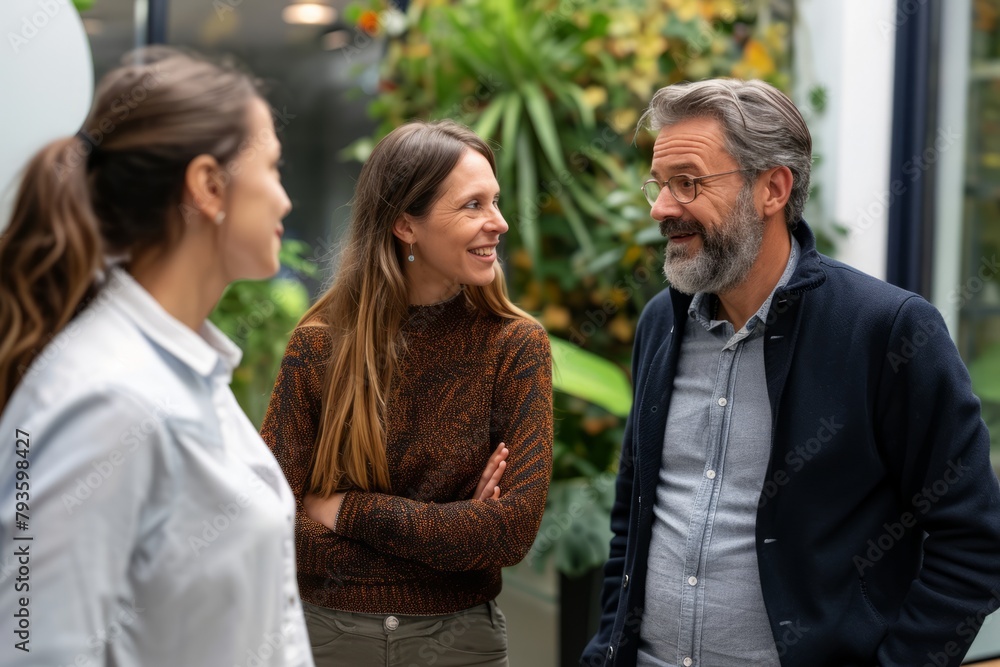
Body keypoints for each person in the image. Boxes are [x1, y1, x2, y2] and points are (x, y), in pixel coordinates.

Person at [582, 79, 1000, 667]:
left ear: (772, 188)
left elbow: (974, 543)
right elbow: (635, 511)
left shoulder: (888, 331)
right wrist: (606, 646)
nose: (661, 207)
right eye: (659, 184)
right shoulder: (661, 321)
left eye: (689, 183)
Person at [0, 48, 313, 666]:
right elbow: (36, 647)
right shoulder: (104, 395)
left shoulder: (187, 372)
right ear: (208, 185)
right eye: (273, 169)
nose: (285, 200)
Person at [261, 119, 553, 667]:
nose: (501, 223)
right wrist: (451, 535)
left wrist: (347, 510)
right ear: (405, 225)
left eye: (496, 201)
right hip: (325, 640)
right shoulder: (319, 348)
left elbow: (507, 534)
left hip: (461, 644)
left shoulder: (514, 347)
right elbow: (273, 522)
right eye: (473, 205)